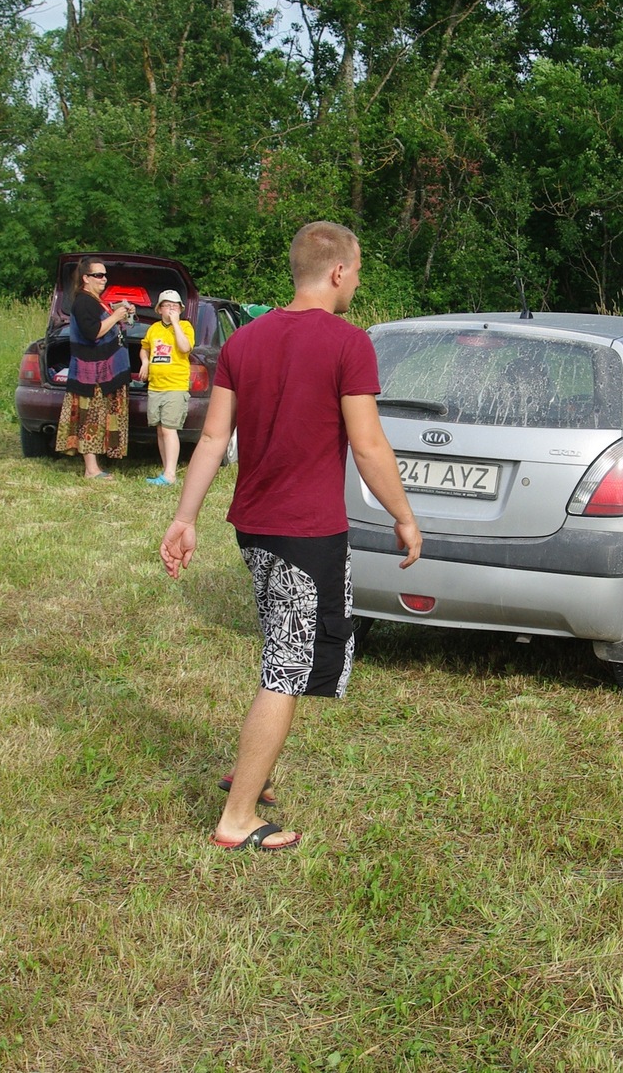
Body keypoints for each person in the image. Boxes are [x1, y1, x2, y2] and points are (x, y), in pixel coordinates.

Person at [160, 220, 423, 852]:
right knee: (287, 666)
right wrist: (404, 516)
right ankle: (237, 817)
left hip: (254, 527)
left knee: (288, 652)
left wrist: (185, 516)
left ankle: (252, 772)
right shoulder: (349, 343)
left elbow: (214, 438)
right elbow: (368, 444)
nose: (356, 283)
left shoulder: (245, 340)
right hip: (306, 533)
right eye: (357, 272)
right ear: (338, 271)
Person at [57, 259, 136, 479]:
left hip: (107, 373)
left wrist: (123, 313)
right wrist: (115, 316)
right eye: (98, 275)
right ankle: (91, 470)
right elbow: (93, 332)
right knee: (91, 419)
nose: (104, 279)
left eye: (104, 275)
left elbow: (109, 326)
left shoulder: (97, 301)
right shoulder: (83, 302)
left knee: (100, 418)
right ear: (86, 278)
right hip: (92, 376)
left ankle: (96, 467)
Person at [138, 288, 193, 485]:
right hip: (155, 386)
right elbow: (145, 348)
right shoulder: (153, 329)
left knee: (170, 429)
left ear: (180, 309)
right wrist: (145, 362)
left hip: (175, 386)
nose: (171, 309)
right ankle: (166, 470)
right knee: (160, 430)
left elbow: (185, 348)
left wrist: (176, 323)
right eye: (167, 306)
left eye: (175, 306)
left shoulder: (185, 326)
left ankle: (170, 475)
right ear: (159, 309)